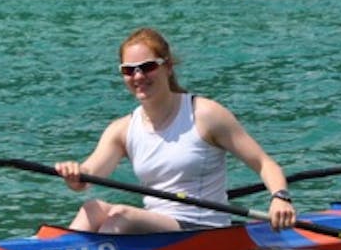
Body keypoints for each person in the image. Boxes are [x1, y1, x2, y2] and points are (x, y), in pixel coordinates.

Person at [54, 27, 297, 233]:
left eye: (147, 67)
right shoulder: (122, 129)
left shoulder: (205, 115)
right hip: (156, 226)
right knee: (91, 207)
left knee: (120, 215)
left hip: (204, 228)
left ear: (167, 67)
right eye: (129, 70)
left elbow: (265, 164)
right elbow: (86, 178)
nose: (138, 76)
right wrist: (75, 173)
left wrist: (280, 198)